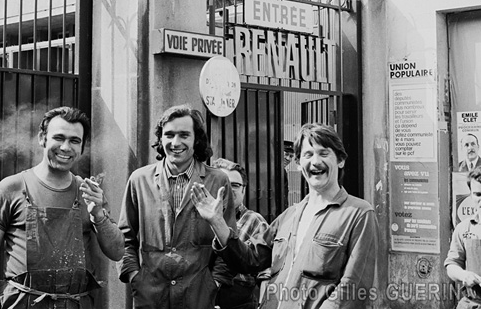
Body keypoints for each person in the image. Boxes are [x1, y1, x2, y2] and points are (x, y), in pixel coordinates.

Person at [191, 123, 378, 309]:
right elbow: (249, 259)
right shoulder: (290, 215)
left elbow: (353, 287)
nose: (315, 162)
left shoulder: (359, 214)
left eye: (324, 153)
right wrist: (217, 222)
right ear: (298, 163)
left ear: (340, 160)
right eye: (308, 154)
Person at [0, 106, 124, 309]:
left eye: (74, 141)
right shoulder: (11, 188)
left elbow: (117, 252)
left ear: (82, 147)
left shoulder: (89, 192)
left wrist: (98, 214)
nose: (65, 147)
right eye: (58, 138)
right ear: (42, 138)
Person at [117, 104, 236, 309]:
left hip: (198, 298)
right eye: (169, 135)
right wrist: (135, 277)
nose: (175, 142)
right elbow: (125, 238)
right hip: (151, 299)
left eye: (184, 135)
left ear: (196, 139)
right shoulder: (139, 180)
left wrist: (214, 282)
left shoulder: (217, 181)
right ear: (160, 139)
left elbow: (229, 241)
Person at [211, 158, 269, 309]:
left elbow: (266, 274)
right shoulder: (198, 219)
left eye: (235, 185)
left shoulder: (256, 222)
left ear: (244, 190)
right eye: (223, 182)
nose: (229, 189)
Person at [445, 166, 481, 308]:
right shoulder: (464, 229)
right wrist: (464, 275)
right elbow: (452, 265)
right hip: (472, 303)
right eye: (478, 194)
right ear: (471, 195)